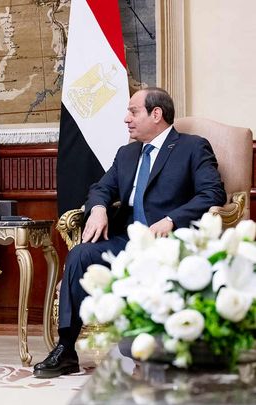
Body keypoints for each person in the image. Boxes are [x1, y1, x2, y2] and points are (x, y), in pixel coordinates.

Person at [34, 87, 227, 378]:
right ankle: (66, 349)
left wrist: (172, 220)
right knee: (80, 254)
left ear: (156, 114)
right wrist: (97, 208)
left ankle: (169, 350)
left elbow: (213, 193)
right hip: (125, 241)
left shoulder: (192, 147)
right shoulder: (127, 154)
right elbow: (101, 188)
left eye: (133, 111)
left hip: (168, 243)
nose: (126, 119)